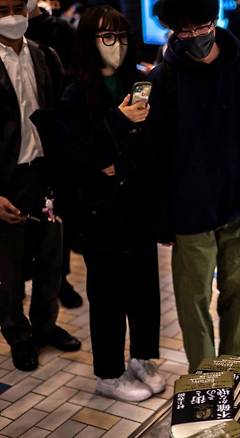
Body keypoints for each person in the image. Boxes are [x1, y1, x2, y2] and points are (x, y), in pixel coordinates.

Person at [53, 5, 163, 401]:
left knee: (145, 288)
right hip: (100, 212)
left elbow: (145, 146)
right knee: (108, 295)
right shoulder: (75, 92)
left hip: (139, 204)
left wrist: (118, 155)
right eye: (105, 36)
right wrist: (116, 128)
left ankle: (142, 357)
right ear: (88, 41)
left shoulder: (138, 81)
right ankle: (109, 372)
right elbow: (83, 155)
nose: (115, 44)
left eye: (121, 35)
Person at [148, 0, 240, 372]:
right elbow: (156, 154)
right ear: (174, 30)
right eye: (185, 31)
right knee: (193, 299)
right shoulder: (164, 78)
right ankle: (205, 378)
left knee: (239, 292)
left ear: (214, 21)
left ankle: (235, 371)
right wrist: (163, 219)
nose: (195, 37)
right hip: (190, 208)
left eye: (201, 27)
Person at [0, 0, 81, 372]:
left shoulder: (45, 55)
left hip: (47, 173)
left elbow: (64, 114)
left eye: (18, 6)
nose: (12, 16)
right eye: (3, 9)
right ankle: (17, 333)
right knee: (8, 264)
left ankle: (46, 325)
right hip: (6, 178)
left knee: (53, 255)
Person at [26, 0, 83, 311]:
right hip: (16, 147)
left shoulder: (58, 31)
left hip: (55, 143)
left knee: (57, 223)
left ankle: (59, 281)